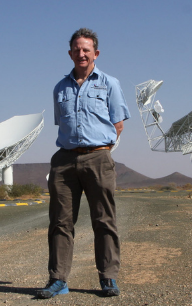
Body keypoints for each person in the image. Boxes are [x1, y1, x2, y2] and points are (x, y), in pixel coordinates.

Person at [36, 28, 130, 299]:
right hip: (64, 160)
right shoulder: (60, 88)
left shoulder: (110, 83)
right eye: (76, 50)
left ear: (96, 53)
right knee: (60, 222)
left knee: (104, 219)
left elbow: (118, 124)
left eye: (86, 49)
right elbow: (62, 123)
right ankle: (58, 279)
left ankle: (108, 277)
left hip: (98, 157)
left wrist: (99, 149)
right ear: (70, 54)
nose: (81, 54)